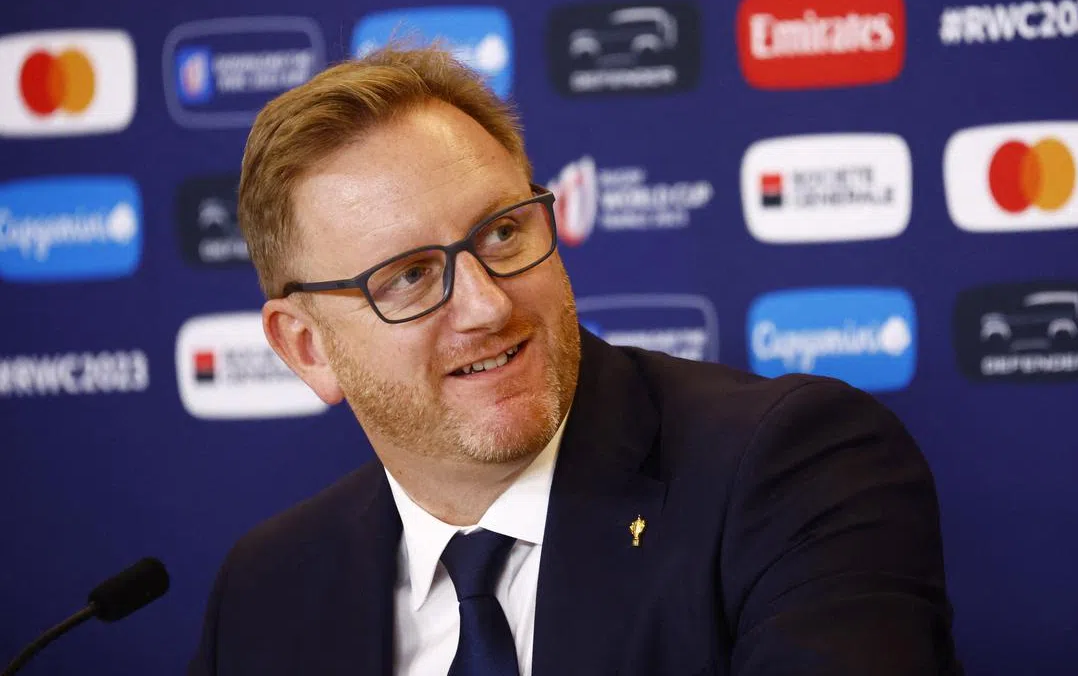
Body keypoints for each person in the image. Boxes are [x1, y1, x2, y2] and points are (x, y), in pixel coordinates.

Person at [188, 46, 961, 676]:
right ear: (307, 348)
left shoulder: (789, 469)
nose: (488, 307)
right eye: (411, 277)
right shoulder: (267, 591)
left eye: (501, 234)